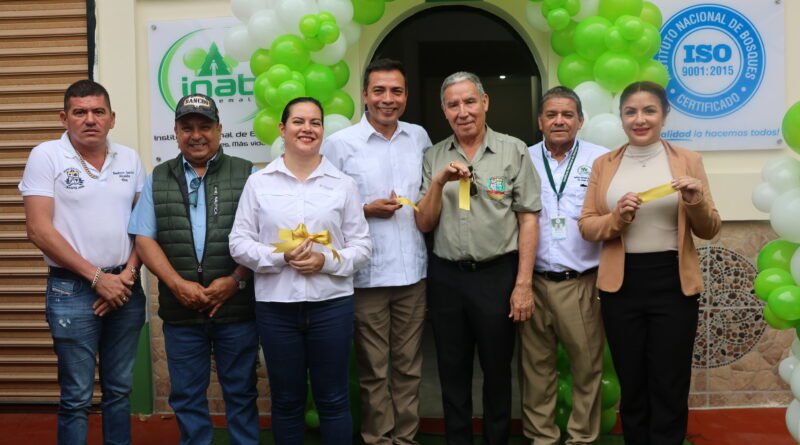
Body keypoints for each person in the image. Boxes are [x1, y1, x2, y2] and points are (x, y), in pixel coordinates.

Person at [578, 81, 720, 445]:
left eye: (649, 111)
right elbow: (587, 226)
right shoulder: (604, 164)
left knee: (670, 382)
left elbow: (709, 229)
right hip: (621, 285)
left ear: (664, 115)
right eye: (631, 112)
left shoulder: (688, 160)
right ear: (621, 117)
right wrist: (617, 218)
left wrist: (695, 200)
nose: (639, 119)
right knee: (633, 381)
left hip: (674, 283)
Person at [229, 97, 372, 444]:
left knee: (333, 399)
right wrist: (281, 256)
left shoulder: (343, 184)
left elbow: (363, 246)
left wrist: (326, 261)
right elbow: (239, 243)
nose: (307, 129)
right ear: (282, 129)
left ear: (322, 130)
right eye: (298, 121)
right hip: (276, 308)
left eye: (315, 122)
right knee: (287, 401)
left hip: (331, 306)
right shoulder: (259, 183)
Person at [415, 71, 541, 445]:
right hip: (447, 277)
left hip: (497, 276)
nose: (463, 111)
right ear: (444, 111)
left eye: (470, 101)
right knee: (452, 370)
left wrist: (523, 284)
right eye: (453, 105)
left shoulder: (513, 150)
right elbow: (424, 222)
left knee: (497, 371)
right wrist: (439, 182)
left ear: (485, 102)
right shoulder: (433, 155)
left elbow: (528, 218)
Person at [19, 79, 145, 445]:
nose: (90, 119)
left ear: (112, 118)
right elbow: (38, 229)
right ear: (64, 118)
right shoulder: (46, 156)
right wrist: (97, 279)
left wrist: (126, 275)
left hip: (125, 287)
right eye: (80, 112)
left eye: (98, 112)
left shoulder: (130, 158)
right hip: (72, 289)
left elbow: (143, 226)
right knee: (76, 397)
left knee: (120, 391)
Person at [128, 93, 260, 445]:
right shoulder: (158, 177)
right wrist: (176, 285)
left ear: (219, 129)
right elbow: (144, 239)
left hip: (236, 310)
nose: (196, 135)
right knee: (186, 397)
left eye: (205, 126)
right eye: (187, 127)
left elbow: (263, 237)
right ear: (175, 132)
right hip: (181, 311)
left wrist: (235, 280)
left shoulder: (248, 173)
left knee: (241, 393)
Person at [322, 58, 431, 445]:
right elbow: (323, 205)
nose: (388, 99)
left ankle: (406, 438)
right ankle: (379, 439)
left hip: (413, 273)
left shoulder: (419, 137)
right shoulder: (340, 144)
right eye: (379, 91)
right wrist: (365, 209)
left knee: (409, 368)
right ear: (364, 95)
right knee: (374, 371)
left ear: (406, 96)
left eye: (396, 91)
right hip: (367, 275)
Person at [521, 86, 609, 445]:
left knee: (586, 368)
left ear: (580, 120)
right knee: (535, 370)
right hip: (532, 283)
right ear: (540, 121)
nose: (559, 121)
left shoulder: (600, 159)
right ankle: (541, 437)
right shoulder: (523, 158)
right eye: (552, 115)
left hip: (581, 283)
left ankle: (581, 438)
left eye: (567, 115)